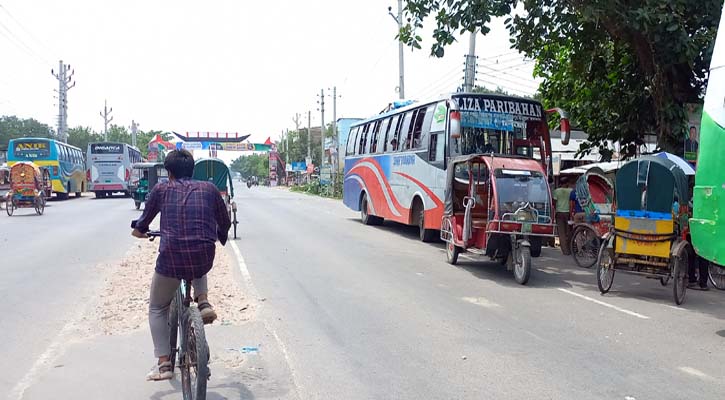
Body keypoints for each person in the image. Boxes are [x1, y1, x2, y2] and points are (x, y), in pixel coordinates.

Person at [131, 149, 231, 381]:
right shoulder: (209, 189)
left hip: (171, 259)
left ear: (168, 172)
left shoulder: (162, 189)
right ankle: (203, 300)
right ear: (192, 169)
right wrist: (219, 236)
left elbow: (144, 221)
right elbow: (224, 221)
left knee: (157, 307)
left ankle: (165, 364)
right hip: (203, 254)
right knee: (199, 256)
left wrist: (139, 232)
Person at [553, 177, 574, 255]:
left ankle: (565, 251)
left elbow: (554, 202)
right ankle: (570, 248)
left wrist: (557, 208)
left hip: (559, 213)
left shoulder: (556, 191)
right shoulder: (571, 191)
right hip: (568, 213)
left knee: (561, 233)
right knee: (569, 232)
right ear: (567, 183)